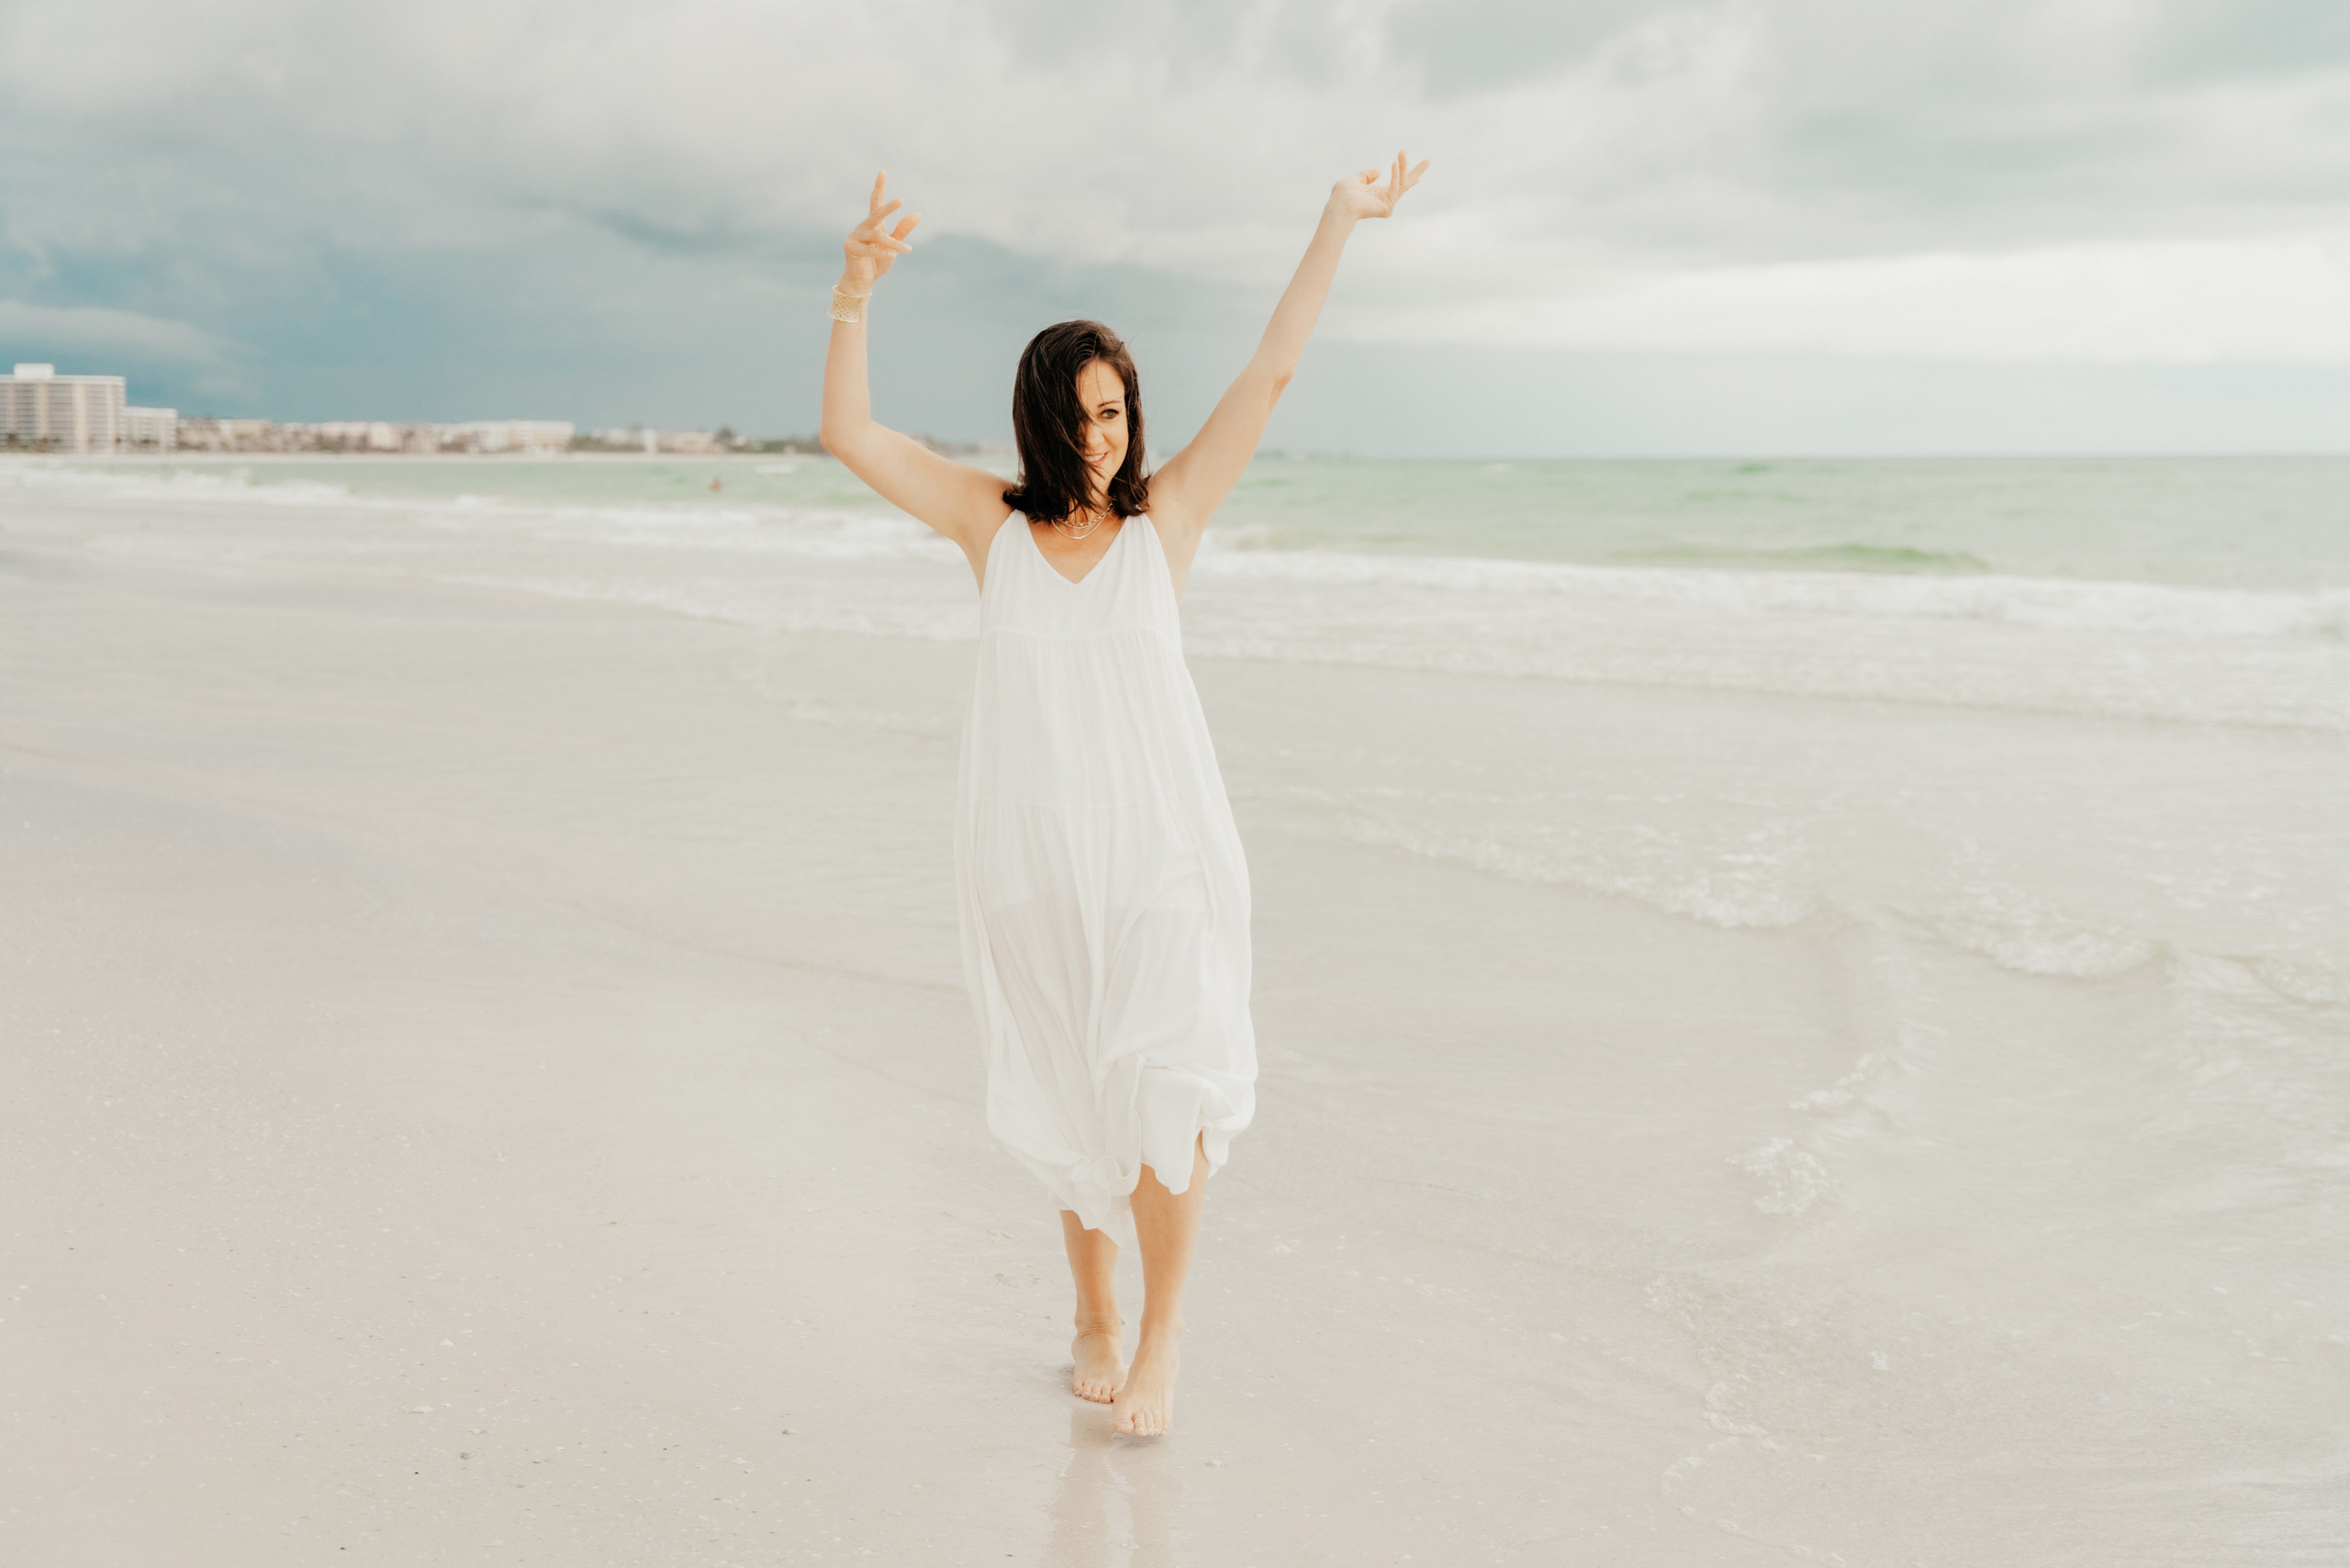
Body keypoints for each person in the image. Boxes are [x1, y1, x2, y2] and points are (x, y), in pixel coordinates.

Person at [818, 153, 1428, 1437]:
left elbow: (1270, 371)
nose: (1101, 439)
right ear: (1040, 420)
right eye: (1081, 418)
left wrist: (1339, 220)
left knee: (1165, 1082)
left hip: (1164, 856)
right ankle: (1089, 1309)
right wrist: (854, 297)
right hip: (1032, 859)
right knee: (1073, 1084)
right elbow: (852, 438)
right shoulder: (992, 527)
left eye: (1116, 415)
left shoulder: (1172, 520)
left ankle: (1161, 1331)